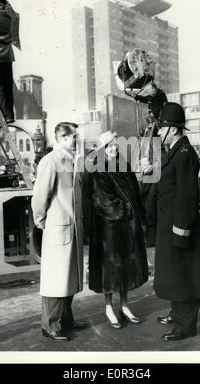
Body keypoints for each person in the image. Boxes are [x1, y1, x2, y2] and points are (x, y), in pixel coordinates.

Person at [154, 102, 200, 341]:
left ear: (173, 130)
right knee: (176, 272)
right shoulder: (175, 151)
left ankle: (186, 324)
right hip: (171, 222)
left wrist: (181, 229)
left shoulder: (184, 154)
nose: (158, 133)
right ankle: (177, 314)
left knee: (186, 273)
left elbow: (187, 195)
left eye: (161, 128)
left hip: (180, 224)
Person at [86, 131, 148, 329]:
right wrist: (127, 209)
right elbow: (100, 199)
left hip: (127, 227)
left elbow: (135, 193)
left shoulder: (124, 165)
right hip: (109, 229)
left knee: (125, 270)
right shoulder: (99, 168)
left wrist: (140, 217)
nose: (113, 148)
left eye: (115, 145)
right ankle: (108, 308)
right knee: (109, 272)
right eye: (109, 146)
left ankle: (124, 305)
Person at [31, 122, 86, 341]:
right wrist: (40, 220)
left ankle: (65, 318)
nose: (77, 141)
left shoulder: (70, 160)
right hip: (58, 227)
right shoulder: (50, 161)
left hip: (70, 228)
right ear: (62, 137)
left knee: (69, 276)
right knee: (56, 279)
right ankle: (50, 324)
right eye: (74, 137)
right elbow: (40, 196)